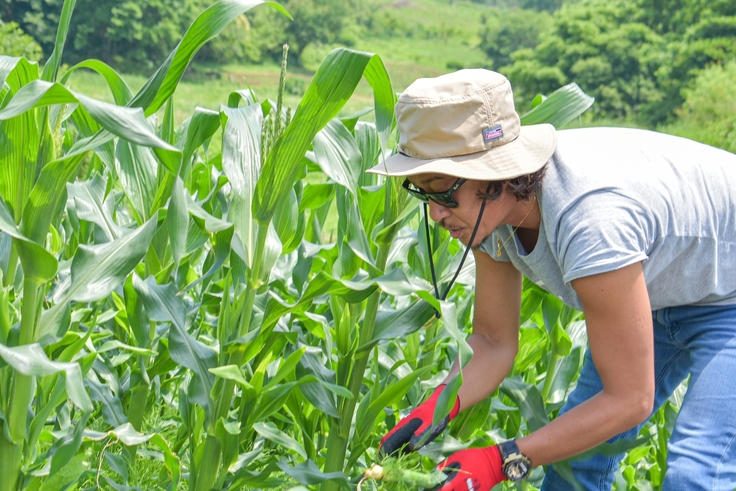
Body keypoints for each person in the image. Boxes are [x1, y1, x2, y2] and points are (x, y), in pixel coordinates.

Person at [366, 68, 736, 490]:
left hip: (729, 292)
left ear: (492, 173)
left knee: (698, 473)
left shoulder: (590, 220)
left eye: (442, 191)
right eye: (422, 192)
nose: (435, 213)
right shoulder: (493, 214)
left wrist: (501, 460)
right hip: (662, 288)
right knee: (571, 472)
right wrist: (439, 403)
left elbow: (629, 399)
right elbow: (492, 342)